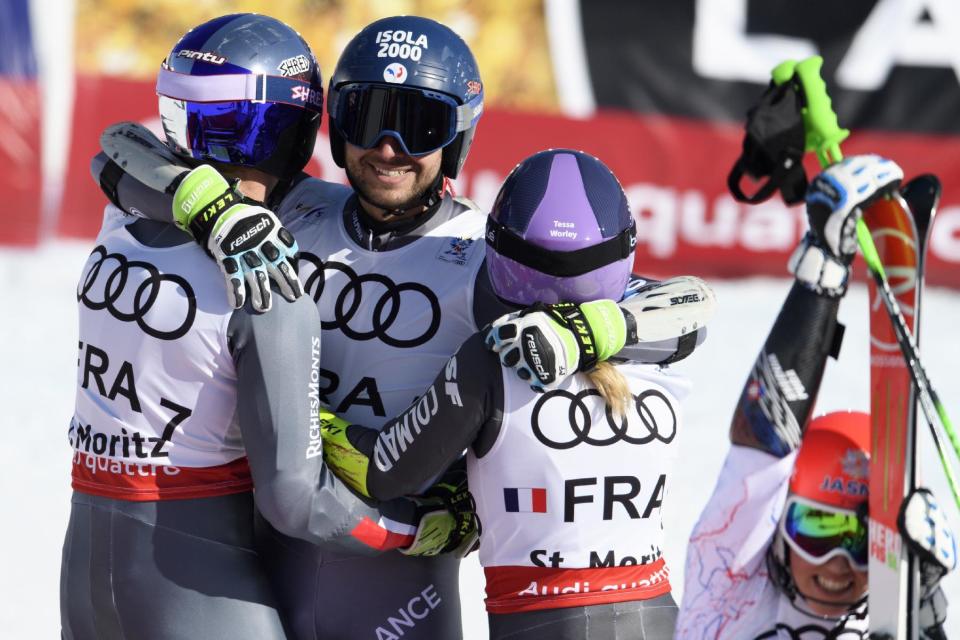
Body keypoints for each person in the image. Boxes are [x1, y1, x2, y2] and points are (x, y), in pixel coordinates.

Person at [96, 14, 715, 639]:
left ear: (458, 136)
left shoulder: (481, 251)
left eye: (420, 125)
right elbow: (120, 153)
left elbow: (686, 308)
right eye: (367, 119)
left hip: (399, 587)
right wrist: (204, 204)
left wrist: (591, 328)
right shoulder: (289, 206)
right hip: (253, 569)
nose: (389, 147)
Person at [62, 14, 460, 640]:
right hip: (201, 580)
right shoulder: (270, 279)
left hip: (85, 560)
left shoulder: (128, 213)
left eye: (240, 130)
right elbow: (295, 500)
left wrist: (203, 204)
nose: (211, 153)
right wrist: (416, 527)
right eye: (195, 124)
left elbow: (114, 152)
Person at [318, 148, 699, 639]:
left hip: (538, 622)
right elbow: (692, 304)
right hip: (660, 614)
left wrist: (308, 417)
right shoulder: (663, 342)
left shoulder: (491, 358)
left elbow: (386, 471)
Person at [673, 154, 956, 639]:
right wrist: (822, 270)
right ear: (779, 522)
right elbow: (762, 442)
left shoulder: (885, 622)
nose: (839, 564)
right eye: (818, 529)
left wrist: (925, 609)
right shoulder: (726, 586)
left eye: (865, 541)